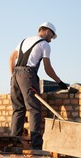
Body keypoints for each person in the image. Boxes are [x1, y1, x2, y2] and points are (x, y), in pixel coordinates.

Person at [9, 22, 68, 150]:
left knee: (18, 110)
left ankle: (13, 143)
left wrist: (13, 75)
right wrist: (59, 82)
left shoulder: (24, 40)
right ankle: (36, 146)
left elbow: (11, 59)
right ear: (46, 31)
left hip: (15, 76)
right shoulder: (44, 44)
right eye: (51, 36)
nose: (51, 40)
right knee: (34, 109)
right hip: (28, 76)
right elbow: (47, 68)